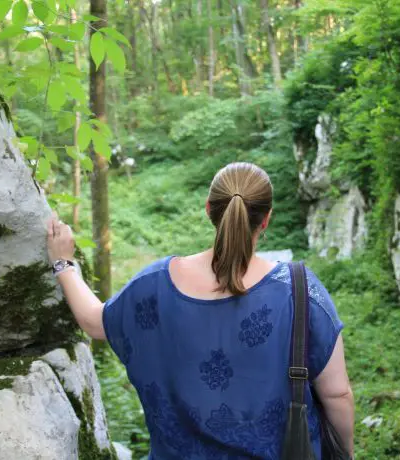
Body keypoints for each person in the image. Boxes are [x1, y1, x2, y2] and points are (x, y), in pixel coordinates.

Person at [47, 162, 355, 459]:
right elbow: (337, 395)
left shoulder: (154, 285)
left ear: (209, 209)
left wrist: (64, 263)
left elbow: (94, 322)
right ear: (266, 220)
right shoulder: (300, 291)